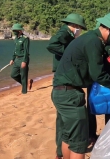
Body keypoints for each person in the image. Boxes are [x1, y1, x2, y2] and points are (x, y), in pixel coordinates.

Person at [51, 12, 110, 159]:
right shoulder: (94, 42)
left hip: (62, 92)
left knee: (68, 137)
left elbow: (107, 67)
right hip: (69, 95)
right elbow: (98, 75)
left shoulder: (91, 40)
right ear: (109, 29)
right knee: (79, 144)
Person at [46, 13, 86, 159]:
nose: (79, 30)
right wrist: (69, 54)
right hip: (62, 76)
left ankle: (60, 150)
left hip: (62, 75)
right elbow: (51, 45)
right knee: (61, 120)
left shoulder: (69, 35)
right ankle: (59, 151)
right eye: (79, 28)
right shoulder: (65, 32)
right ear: (74, 26)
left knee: (62, 118)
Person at [87, 22, 110, 145]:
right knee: (91, 108)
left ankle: (108, 134)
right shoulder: (93, 43)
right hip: (94, 81)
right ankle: (91, 135)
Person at [9, 23, 33, 94]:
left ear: (20, 31)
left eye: (15, 30)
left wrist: (24, 61)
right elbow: (15, 50)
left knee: (23, 75)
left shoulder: (25, 38)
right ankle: (27, 82)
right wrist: (12, 59)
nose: (13, 31)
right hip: (17, 59)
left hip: (23, 58)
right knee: (13, 75)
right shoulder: (16, 38)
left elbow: (26, 50)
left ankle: (24, 92)